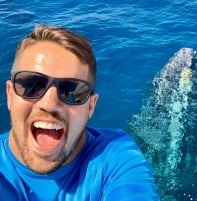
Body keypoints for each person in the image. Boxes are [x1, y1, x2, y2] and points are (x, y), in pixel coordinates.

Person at [0, 24, 159, 201]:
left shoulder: (115, 158)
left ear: (91, 106)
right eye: (32, 85)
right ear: (10, 94)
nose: (49, 104)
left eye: (72, 91)